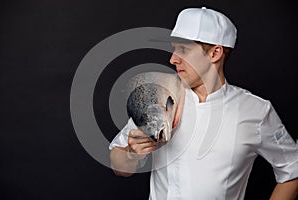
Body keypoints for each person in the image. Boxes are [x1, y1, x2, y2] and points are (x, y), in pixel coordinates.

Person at [109, 7, 298, 200]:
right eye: (174, 48)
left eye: (183, 49)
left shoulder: (256, 111)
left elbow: (293, 169)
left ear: (215, 53)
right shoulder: (160, 95)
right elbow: (119, 164)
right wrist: (131, 155)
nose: (173, 59)